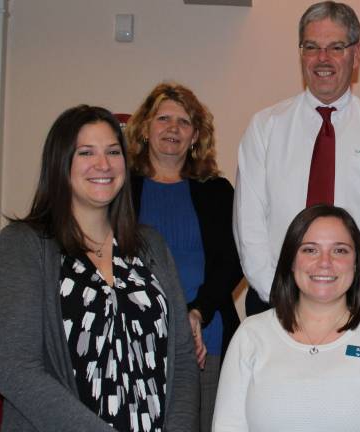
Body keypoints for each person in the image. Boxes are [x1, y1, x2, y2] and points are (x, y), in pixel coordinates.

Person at [0, 105, 198, 431]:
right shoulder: (24, 245)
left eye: (113, 152)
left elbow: (183, 360)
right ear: (60, 163)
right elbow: (13, 366)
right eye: (86, 152)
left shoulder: (151, 245)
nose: (103, 164)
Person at [233, 1, 360, 315]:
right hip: (275, 300)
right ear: (301, 54)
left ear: (357, 53)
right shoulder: (265, 127)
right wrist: (278, 293)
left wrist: (359, 296)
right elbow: (249, 223)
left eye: (335, 47)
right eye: (312, 47)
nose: (322, 59)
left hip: (355, 305)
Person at [213, 205, 360, 431]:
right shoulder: (251, 335)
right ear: (291, 261)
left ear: (357, 263)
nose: (324, 262)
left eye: (339, 250)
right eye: (310, 250)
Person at [126, 82, 242, 432]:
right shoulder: (121, 189)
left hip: (205, 339)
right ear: (145, 128)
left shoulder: (217, 192)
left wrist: (197, 312)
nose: (173, 128)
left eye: (184, 121)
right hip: (134, 337)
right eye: (163, 118)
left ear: (195, 137)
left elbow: (231, 261)